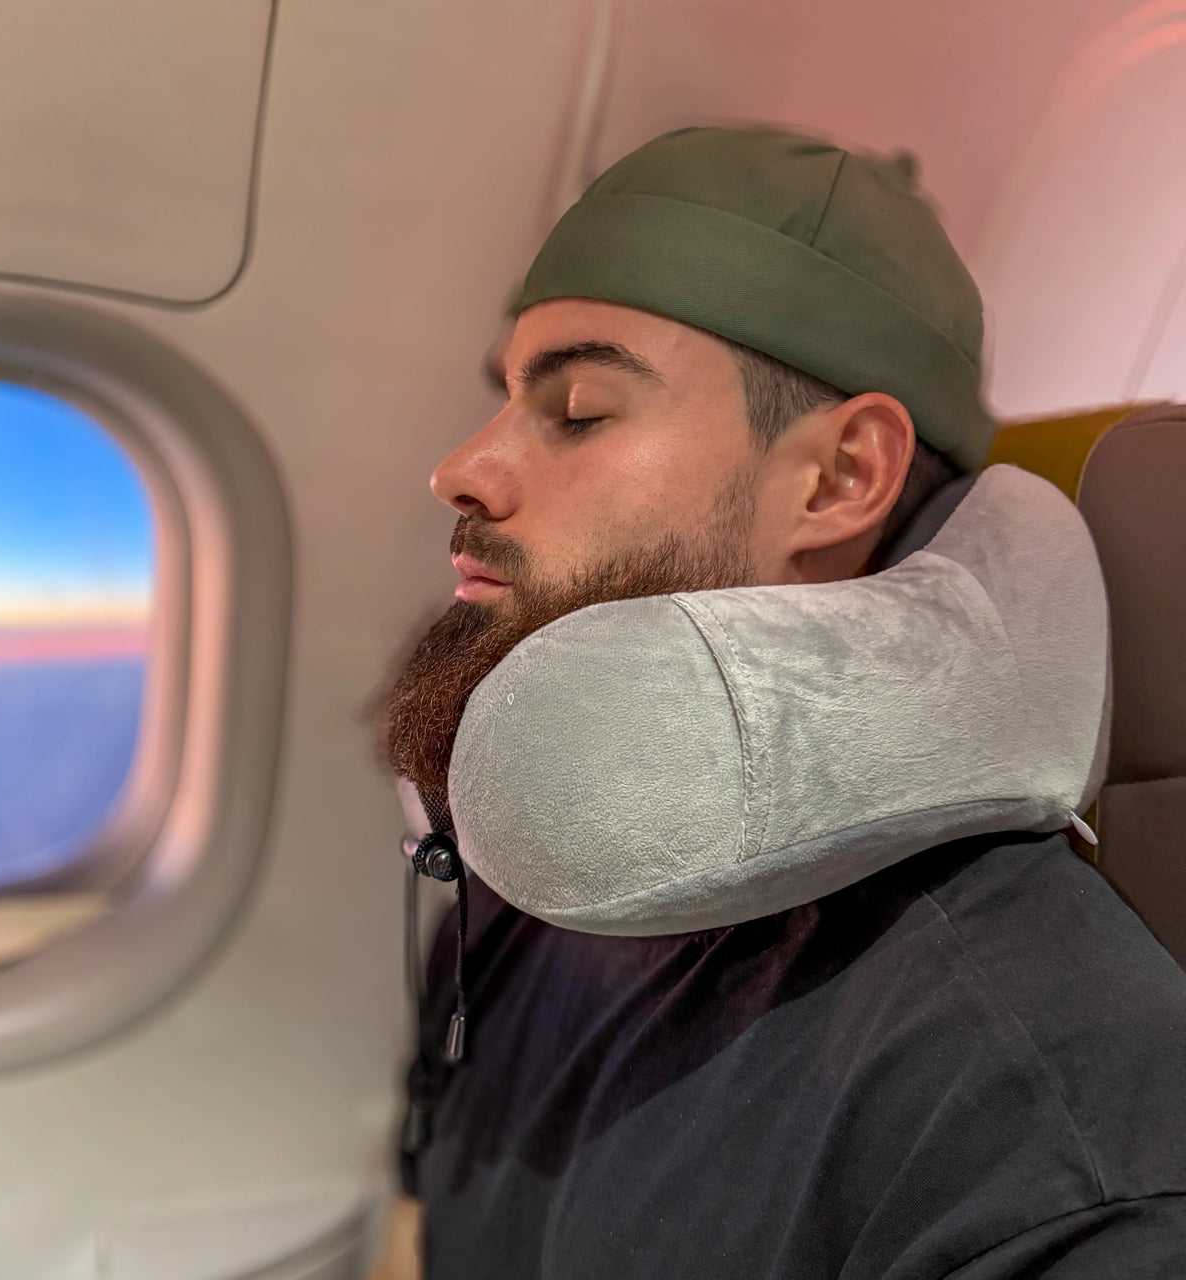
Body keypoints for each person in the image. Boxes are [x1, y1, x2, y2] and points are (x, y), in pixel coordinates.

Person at [368, 126, 1186, 1278]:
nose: (461, 466)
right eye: (503, 398)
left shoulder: (1047, 1105)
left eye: (580, 410)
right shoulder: (527, 868)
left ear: (840, 476)